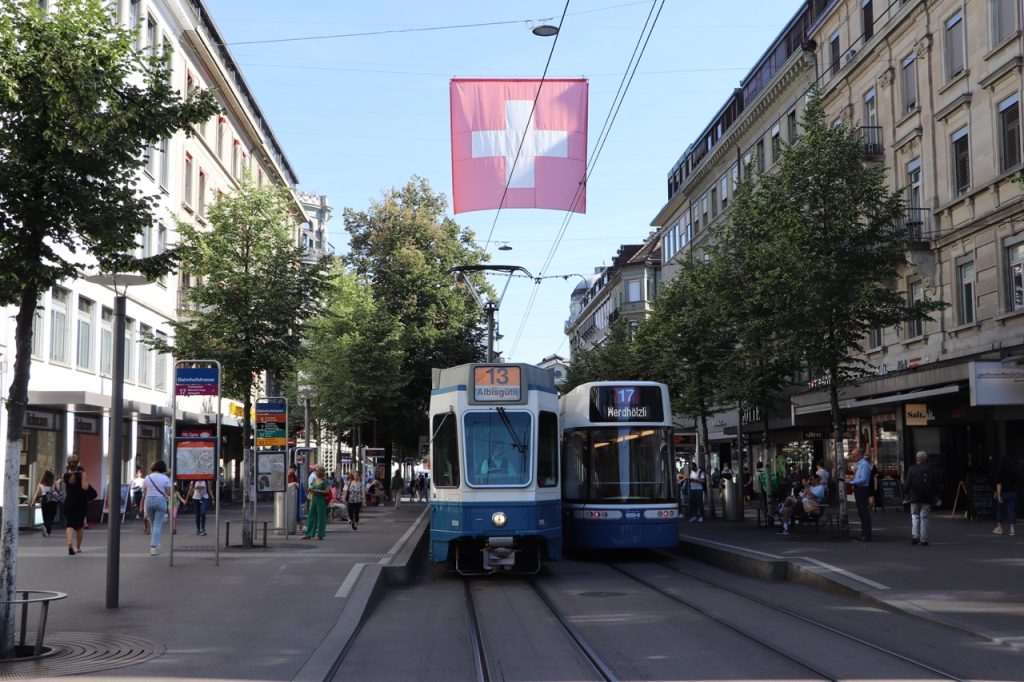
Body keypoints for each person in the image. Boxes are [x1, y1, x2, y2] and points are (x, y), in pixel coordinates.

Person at [905, 450, 938, 546]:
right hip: (927, 497)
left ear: (917, 459)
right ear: (925, 459)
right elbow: (935, 483)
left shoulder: (912, 469)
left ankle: (915, 537)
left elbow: (908, 483)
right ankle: (924, 539)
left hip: (914, 496)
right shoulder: (930, 469)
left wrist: (906, 493)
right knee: (924, 517)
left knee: (915, 516)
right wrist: (935, 495)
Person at [59, 455, 89, 555]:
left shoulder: (64, 475)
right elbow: (85, 488)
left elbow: (63, 482)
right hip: (80, 503)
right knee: (80, 526)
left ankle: (69, 543)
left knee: (70, 524)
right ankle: (78, 547)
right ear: (78, 464)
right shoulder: (82, 474)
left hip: (69, 502)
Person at [144, 460, 172, 556]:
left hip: (149, 501)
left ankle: (156, 544)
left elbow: (144, 493)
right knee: (157, 525)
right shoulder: (165, 478)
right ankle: (154, 547)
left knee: (152, 524)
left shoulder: (147, 477)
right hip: (160, 501)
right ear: (163, 468)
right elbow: (168, 493)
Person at [849, 448, 874, 541]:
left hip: (862, 489)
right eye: (852, 455)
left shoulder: (864, 465)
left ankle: (866, 535)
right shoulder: (860, 464)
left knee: (864, 512)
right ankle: (864, 533)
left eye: (854, 455)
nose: (853, 457)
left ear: (859, 454)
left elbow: (863, 479)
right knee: (861, 512)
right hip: (859, 489)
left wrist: (851, 482)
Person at [28, 469, 59, 537]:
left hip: (44, 499)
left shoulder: (40, 484)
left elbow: (37, 493)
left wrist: (33, 501)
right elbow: (58, 489)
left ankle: (47, 532)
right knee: (52, 515)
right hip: (52, 499)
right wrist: (56, 483)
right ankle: (45, 526)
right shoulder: (53, 482)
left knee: (45, 516)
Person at [993, 455, 1018, 537]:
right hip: (1012, 493)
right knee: (1012, 511)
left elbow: (999, 484)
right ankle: (1012, 529)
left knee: (1000, 510)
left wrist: (999, 494)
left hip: (1003, 493)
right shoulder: (1014, 471)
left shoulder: (1000, 471)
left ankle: (999, 528)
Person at [303, 466, 328, 540]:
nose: (316, 472)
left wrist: (317, 491)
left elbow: (327, 491)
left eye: (318, 471)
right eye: (316, 471)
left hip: (321, 500)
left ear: (322, 472)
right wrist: (310, 489)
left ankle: (320, 534)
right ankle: (308, 534)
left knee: (321, 517)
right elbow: (312, 488)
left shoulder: (325, 481)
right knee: (311, 516)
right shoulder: (314, 480)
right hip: (314, 499)